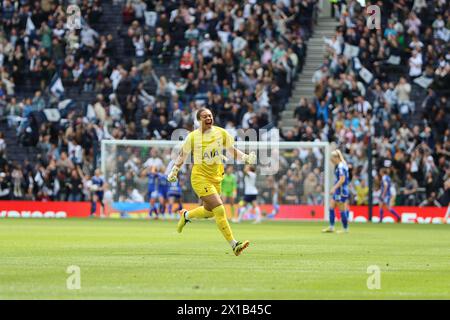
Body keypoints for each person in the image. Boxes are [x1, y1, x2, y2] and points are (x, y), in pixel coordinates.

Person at [167, 108, 256, 256]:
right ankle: (234, 245)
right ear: (199, 120)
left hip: (216, 178)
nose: (208, 118)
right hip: (199, 178)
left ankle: (186, 216)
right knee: (219, 209)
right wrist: (174, 170)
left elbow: (232, 150)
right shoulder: (193, 137)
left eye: (210, 115)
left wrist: (246, 158)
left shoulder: (221, 133)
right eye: (204, 116)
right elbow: (183, 155)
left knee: (209, 213)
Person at [323, 150, 350, 233]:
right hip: (339, 190)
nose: (331, 159)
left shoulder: (341, 166)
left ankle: (345, 229)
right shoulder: (341, 165)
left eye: (332, 158)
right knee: (331, 207)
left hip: (341, 190)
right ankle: (331, 227)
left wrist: (334, 188)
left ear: (336, 157)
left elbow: (342, 179)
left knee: (342, 209)